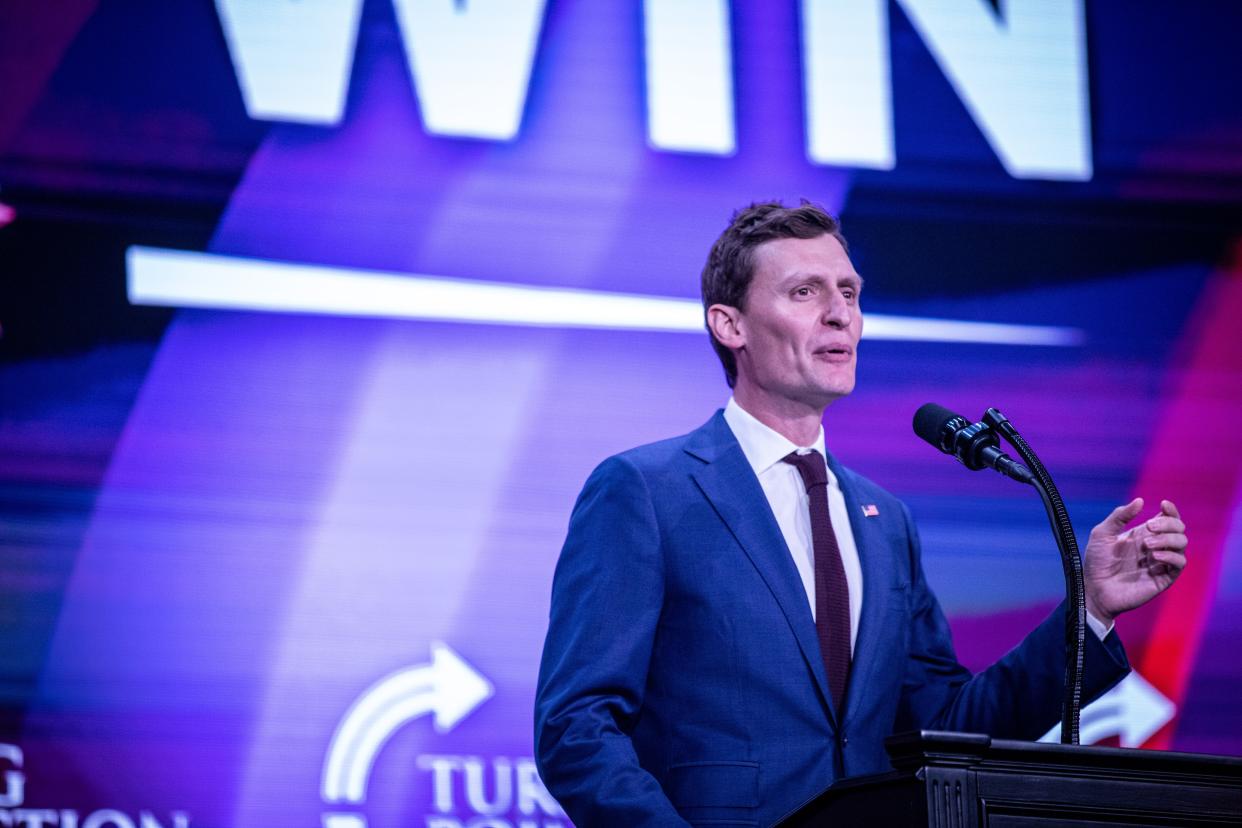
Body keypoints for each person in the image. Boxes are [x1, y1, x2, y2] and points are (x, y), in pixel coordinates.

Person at [534, 202, 1188, 827]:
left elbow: (945, 728)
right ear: (729, 325)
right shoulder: (647, 491)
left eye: (849, 293)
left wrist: (1091, 610)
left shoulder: (885, 523)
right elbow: (578, 727)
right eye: (805, 292)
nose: (840, 315)